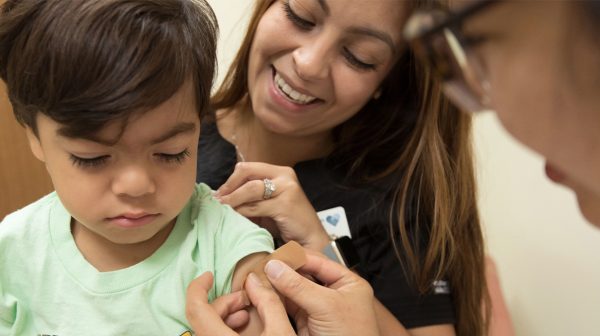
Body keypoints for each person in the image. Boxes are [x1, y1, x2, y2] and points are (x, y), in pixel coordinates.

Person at [186, 0, 600, 335]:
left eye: (358, 57)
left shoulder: (397, 201)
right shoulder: (169, 134)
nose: (309, 64)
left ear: (387, 79)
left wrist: (322, 247)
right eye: (301, 16)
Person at [0, 0, 274, 335]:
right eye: (93, 158)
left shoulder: (229, 249)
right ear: (35, 138)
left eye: (170, 153)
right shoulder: (12, 251)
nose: (137, 185)